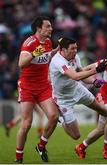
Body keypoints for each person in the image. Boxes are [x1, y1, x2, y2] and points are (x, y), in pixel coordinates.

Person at [49, 38, 107, 149]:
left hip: (77, 89)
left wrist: (94, 81)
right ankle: (62, 119)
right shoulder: (58, 61)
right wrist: (96, 70)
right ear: (64, 50)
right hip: (63, 98)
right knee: (76, 135)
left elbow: (81, 75)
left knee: (99, 108)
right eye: (72, 48)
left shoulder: (75, 57)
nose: (75, 51)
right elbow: (75, 76)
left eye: (76, 48)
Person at [15, 16, 59, 163]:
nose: (51, 29)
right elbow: (21, 64)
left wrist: (56, 51)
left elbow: (46, 56)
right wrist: (34, 53)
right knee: (27, 124)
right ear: (39, 29)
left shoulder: (47, 42)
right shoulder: (29, 43)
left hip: (43, 86)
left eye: (51, 26)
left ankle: (41, 145)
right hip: (27, 87)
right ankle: (19, 158)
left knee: (53, 116)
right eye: (48, 26)